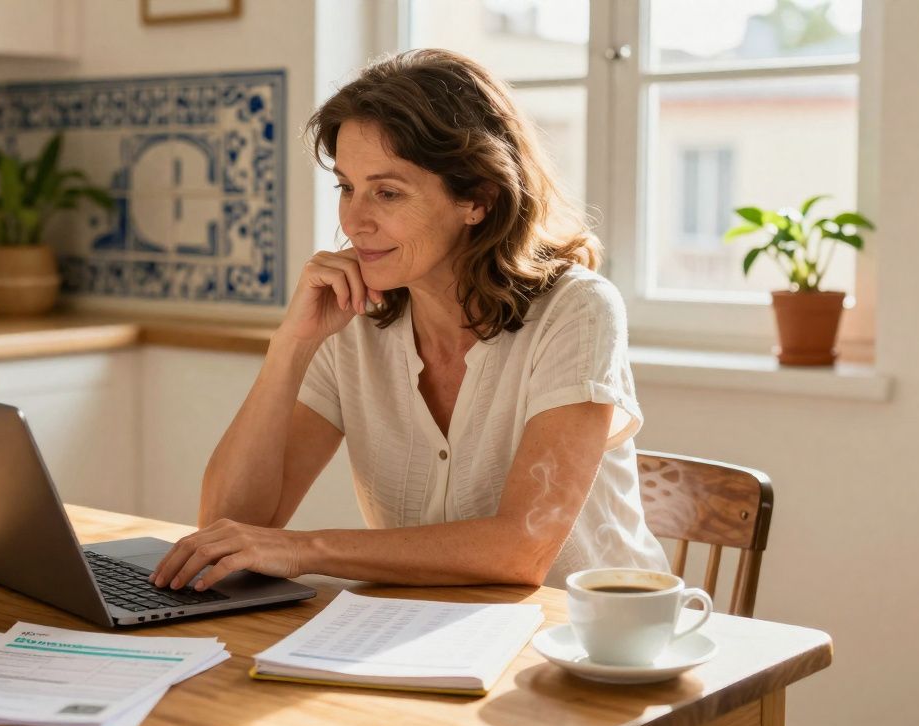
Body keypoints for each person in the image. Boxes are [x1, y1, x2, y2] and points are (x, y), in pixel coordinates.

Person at [151, 49, 668, 594]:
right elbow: (227, 528)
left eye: (388, 193)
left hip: (590, 633)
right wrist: (292, 345)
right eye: (346, 187)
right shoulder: (352, 318)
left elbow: (522, 550)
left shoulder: (577, 310)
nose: (354, 221)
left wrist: (304, 550)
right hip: (419, 626)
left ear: (477, 199)